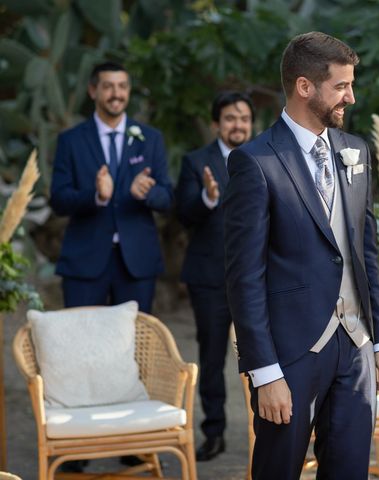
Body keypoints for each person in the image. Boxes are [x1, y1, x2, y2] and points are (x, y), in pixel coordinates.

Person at [223, 32, 379, 480]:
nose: (351, 97)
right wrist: (264, 372)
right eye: (341, 86)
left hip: (355, 347)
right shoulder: (256, 162)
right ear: (305, 87)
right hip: (289, 357)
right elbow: (244, 279)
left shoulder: (355, 151)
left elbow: (366, 253)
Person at [50, 61, 173, 472]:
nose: (116, 93)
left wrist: (147, 192)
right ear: (93, 91)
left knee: (135, 352)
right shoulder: (72, 140)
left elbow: (168, 198)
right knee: (79, 351)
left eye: (122, 86)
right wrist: (96, 195)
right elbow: (58, 198)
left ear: (128, 90)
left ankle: (133, 442)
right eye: (108, 87)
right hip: (86, 259)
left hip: (135, 261)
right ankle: (78, 447)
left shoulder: (149, 138)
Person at [175, 91, 254, 462]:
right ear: (215, 123)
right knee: (211, 358)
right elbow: (183, 215)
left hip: (256, 279)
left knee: (264, 353)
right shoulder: (195, 162)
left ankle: (269, 429)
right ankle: (214, 432)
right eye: (229, 118)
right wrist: (207, 197)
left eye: (243, 118)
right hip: (208, 278)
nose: (237, 125)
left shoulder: (265, 157)